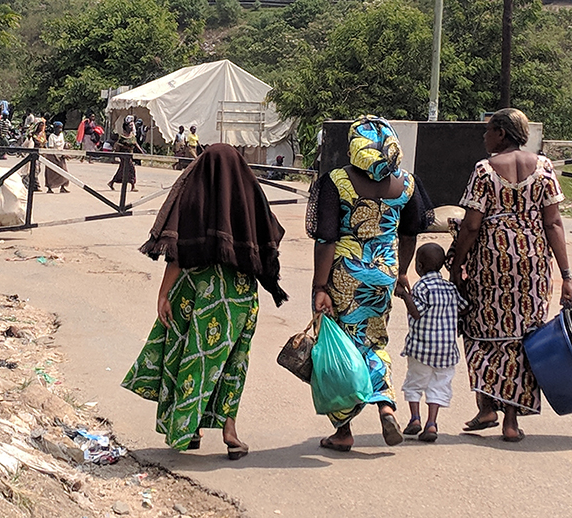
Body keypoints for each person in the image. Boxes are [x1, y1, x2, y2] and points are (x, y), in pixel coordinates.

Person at [122, 144, 288, 459]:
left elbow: (178, 250)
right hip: (239, 294)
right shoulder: (248, 192)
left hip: (195, 287)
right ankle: (230, 432)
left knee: (192, 355)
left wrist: (163, 293)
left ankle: (189, 428)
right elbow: (270, 235)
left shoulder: (195, 193)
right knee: (232, 360)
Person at [447, 108, 572, 443]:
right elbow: (554, 223)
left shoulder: (485, 170)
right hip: (533, 266)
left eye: (488, 130)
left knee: (480, 331)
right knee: (524, 339)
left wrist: (458, 264)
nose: (485, 136)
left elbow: (472, 225)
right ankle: (511, 420)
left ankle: (488, 404)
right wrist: (567, 275)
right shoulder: (545, 167)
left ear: (501, 133)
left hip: (491, 265)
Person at [307, 115, 434, 451]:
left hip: (345, 274)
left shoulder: (338, 181)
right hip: (383, 274)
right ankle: (386, 406)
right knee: (375, 340)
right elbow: (410, 234)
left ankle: (343, 431)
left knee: (341, 347)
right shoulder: (405, 183)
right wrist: (402, 272)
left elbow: (326, 238)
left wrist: (321, 287)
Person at [395, 243, 467, 443]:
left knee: (415, 383)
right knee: (438, 386)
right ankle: (432, 423)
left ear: (418, 266)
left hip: (422, 349)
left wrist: (404, 295)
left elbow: (416, 312)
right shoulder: (450, 288)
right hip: (445, 352)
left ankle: (415, 419)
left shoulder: (422, 287)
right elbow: (464, 308)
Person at [108, 117, 145, 191]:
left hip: (130, 155)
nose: (131, 127)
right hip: (124, 156)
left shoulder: (132, 136)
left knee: (122, 170)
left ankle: (112, 182)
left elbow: (136, 144)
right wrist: (116, 156)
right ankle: (133, 186)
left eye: (132, 126)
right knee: (131, 169)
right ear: (126, 127)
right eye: (130, 126)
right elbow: (117, 146)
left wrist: (142, 152)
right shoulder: (122, 137)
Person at [44, 121, 70, 194]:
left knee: (64, 171)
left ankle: (63, 187)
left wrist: (65, 152)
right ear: (55, 129)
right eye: (58, 128)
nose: (60, 130)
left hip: (61, 155)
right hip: (52, 156)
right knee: (51, 172)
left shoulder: (61, 135)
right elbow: (51, 147)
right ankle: (49, 188)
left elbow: (63, 144)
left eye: (61, 128)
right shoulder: (51, 137)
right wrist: (56, 157)